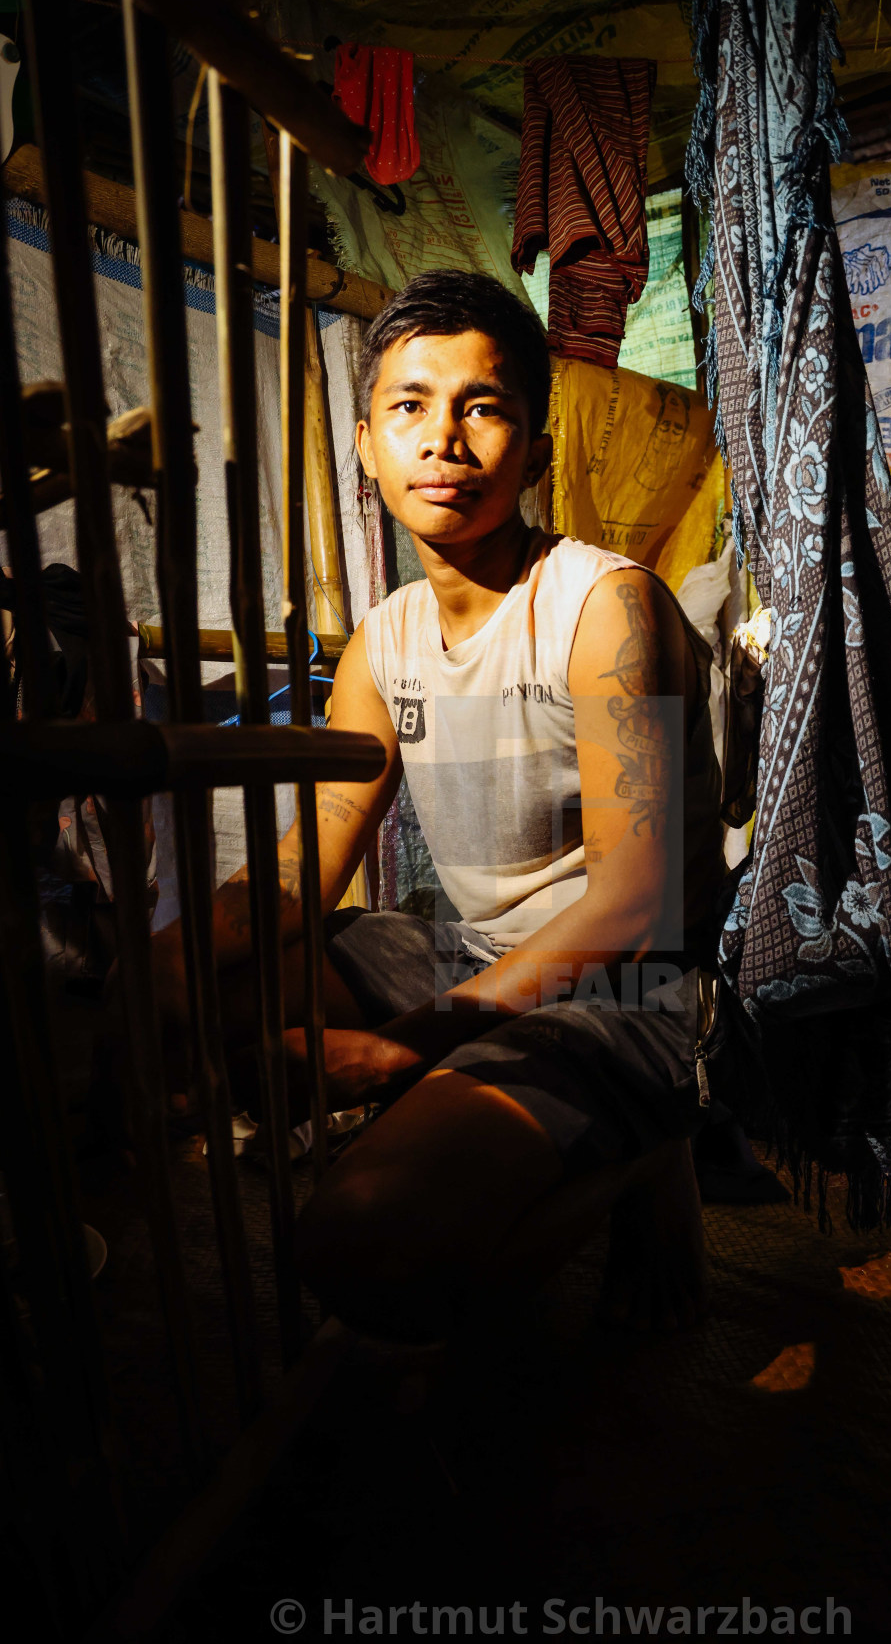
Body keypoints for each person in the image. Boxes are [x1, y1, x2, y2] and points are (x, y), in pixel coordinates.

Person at [153, 270, 733, 1338]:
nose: (445, 440)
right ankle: (517, 1129)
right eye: (410, 406)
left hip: (628, 986)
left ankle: (642, 1146)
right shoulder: (385, 638)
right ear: (365, 447)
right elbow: (315, 850)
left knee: (360, 1232)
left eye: (484, 406)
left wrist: (406, 1045)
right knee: (190, 993)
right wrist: (178, 956)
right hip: (467, 952)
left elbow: (633, 907)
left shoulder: (604, 608)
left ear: (537, 447)